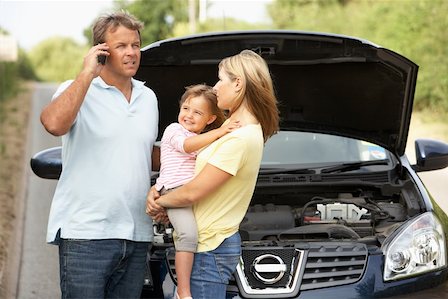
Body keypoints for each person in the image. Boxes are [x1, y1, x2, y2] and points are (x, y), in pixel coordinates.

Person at [40, 11, 159, 298]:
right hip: (86, 235)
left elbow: (146, 155)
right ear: (101, 52)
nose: (132, 53)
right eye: (121, 46)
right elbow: (54, 124)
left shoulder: (148, 98)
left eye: (135, 45)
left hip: (137, 235)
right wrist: (86, 74)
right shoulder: (76, 89)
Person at [146, 49, 279, 299]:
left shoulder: (239, 138)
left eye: (220, 79)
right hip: (206, 245)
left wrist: (157, 202)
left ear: (238, 83)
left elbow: (193, 192)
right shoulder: (235, 132)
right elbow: (185, 169)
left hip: (209, 248)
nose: (215, 87)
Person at [153, 84, 240, 299]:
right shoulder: (174, 130)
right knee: (188, 235)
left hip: (192, 193)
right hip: (174, 191)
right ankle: (183, 292)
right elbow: (186, 146)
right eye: (186, 108)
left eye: (197, 112)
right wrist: (221, 132)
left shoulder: (204, 141)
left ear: (210, 119)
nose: (189, 115)